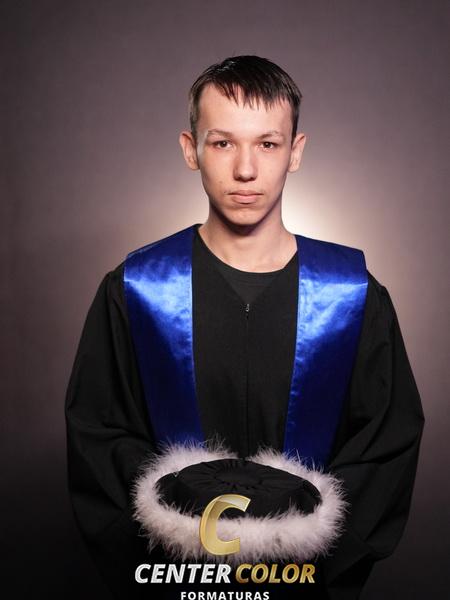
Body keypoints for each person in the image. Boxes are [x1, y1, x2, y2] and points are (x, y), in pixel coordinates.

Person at [65, 55, 424, 600]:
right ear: (191, 149)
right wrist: (181, 543)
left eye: (268, 143)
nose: (246, 170)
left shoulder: (350, 295)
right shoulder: (138, 290)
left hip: (303, 582)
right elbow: (98, 437)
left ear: (295, 152)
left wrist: (304, 560)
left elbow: (384, 447)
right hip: (175, 583)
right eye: (223, 142)